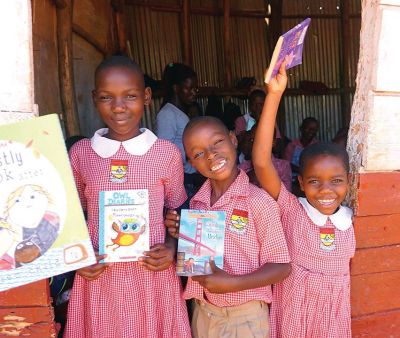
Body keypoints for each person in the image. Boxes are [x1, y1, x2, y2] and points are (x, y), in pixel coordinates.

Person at [64, 55, 191, 338]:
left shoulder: (165, 153)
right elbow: (71, 217)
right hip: (99, 277)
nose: (119, 107)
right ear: (95, 98)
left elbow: (178, 213)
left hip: (152, 275)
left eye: (130, 96)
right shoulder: (82, 154)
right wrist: (77, 257)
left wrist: (171, 248)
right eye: (107, 97)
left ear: (146, 96)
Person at [253, 63, 356, 338]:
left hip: (333, 323)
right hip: (295, 319)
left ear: (348, 182)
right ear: (300, 183)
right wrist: (274, 94)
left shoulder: (350, 220)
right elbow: (262, 162)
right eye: (314, 181)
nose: (326, 191)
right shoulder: (292, 210)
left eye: (336, 181)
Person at [166, 116, 291, 338]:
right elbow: (199, 264)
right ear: (191, 163)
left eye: (217, 142)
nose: (211, 154)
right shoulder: (197, 203)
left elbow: (282, 267)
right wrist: (180, 236)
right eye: (198, 153)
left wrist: (233, 283)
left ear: (233, 139)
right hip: (203, 312)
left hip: (245, 318)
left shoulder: (259, 202)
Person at [156, 62, 200, 200]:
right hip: (182, 180)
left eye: (195, 88)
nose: (194, 92)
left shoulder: (180, 113)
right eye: (189, 88)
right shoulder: (167, 114)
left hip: (189, 178)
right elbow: (165, 154)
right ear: (176, 88)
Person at [238, 126, 292, 191]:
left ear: (273, 142)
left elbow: (286, 194)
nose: (256, 143)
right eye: (252, 139)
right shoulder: (242, 168)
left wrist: (264, 175)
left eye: (261, 139)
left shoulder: (283, 166)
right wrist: (248, 177)